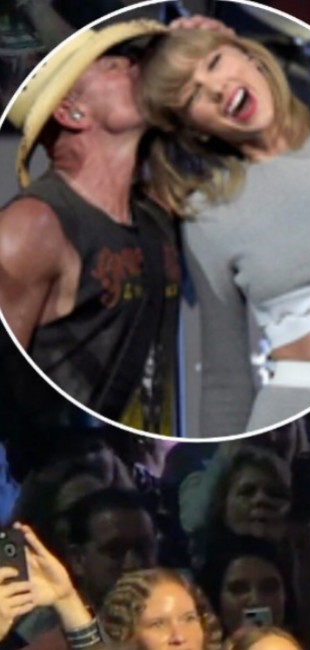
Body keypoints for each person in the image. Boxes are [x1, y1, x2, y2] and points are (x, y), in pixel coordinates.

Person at [136, 26, 310, 436]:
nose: (217, 87)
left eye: (215, 62)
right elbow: (224, 375)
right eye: (193, 94)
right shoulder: (206, 217)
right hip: (296, 424)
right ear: (193, 128)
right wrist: (223, 460)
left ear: (250, 56)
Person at [0, 19, 181, 434]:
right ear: (72, 111)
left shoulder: (155, 215)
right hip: (62, 469)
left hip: (135, 468)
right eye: (115, 65)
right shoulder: (33, 227)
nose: (137, 68)